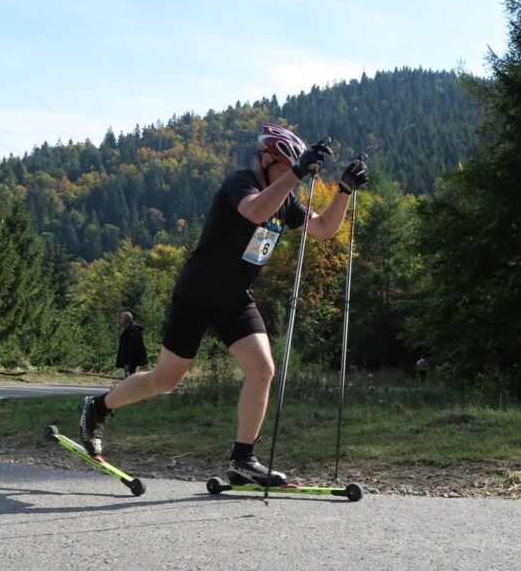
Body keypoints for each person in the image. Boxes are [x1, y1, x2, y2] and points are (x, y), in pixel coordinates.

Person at [79, 123, 368, 486]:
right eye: (286, 167)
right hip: (197, 295)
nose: (291, 175)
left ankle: (243, 458)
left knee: (263, 369)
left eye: (295, 168)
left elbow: (324, 228)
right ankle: (98, 407)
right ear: (267, 159)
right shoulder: (241, 183)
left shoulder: (286, 200)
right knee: (166, 380)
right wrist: (295, 174)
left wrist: (343, 190)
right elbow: (254, 211)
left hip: (234, 300)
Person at [116, 311, 147, 378]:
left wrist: (128, 363)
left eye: (121, 319)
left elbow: (131, 349)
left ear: (126, 320)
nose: (120, 321)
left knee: (129, 379)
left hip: (130, 363)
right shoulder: (130, 330)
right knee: (130, 378)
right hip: (130, 362)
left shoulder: (132, 332)